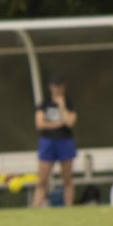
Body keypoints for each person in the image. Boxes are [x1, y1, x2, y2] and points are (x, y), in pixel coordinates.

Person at [31, 75, 78, 208]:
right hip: (48, 142)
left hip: (65, 141)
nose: (57, 89)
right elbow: (40, 124)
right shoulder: (44, 104)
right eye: (55, 86)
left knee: (67, 178)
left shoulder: (69, 103)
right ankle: (35, 207)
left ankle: (69, 207)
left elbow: (70, 122)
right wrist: (59, 123)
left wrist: (62, 106)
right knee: (42, 179)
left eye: (60, 86)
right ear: (50, 87)